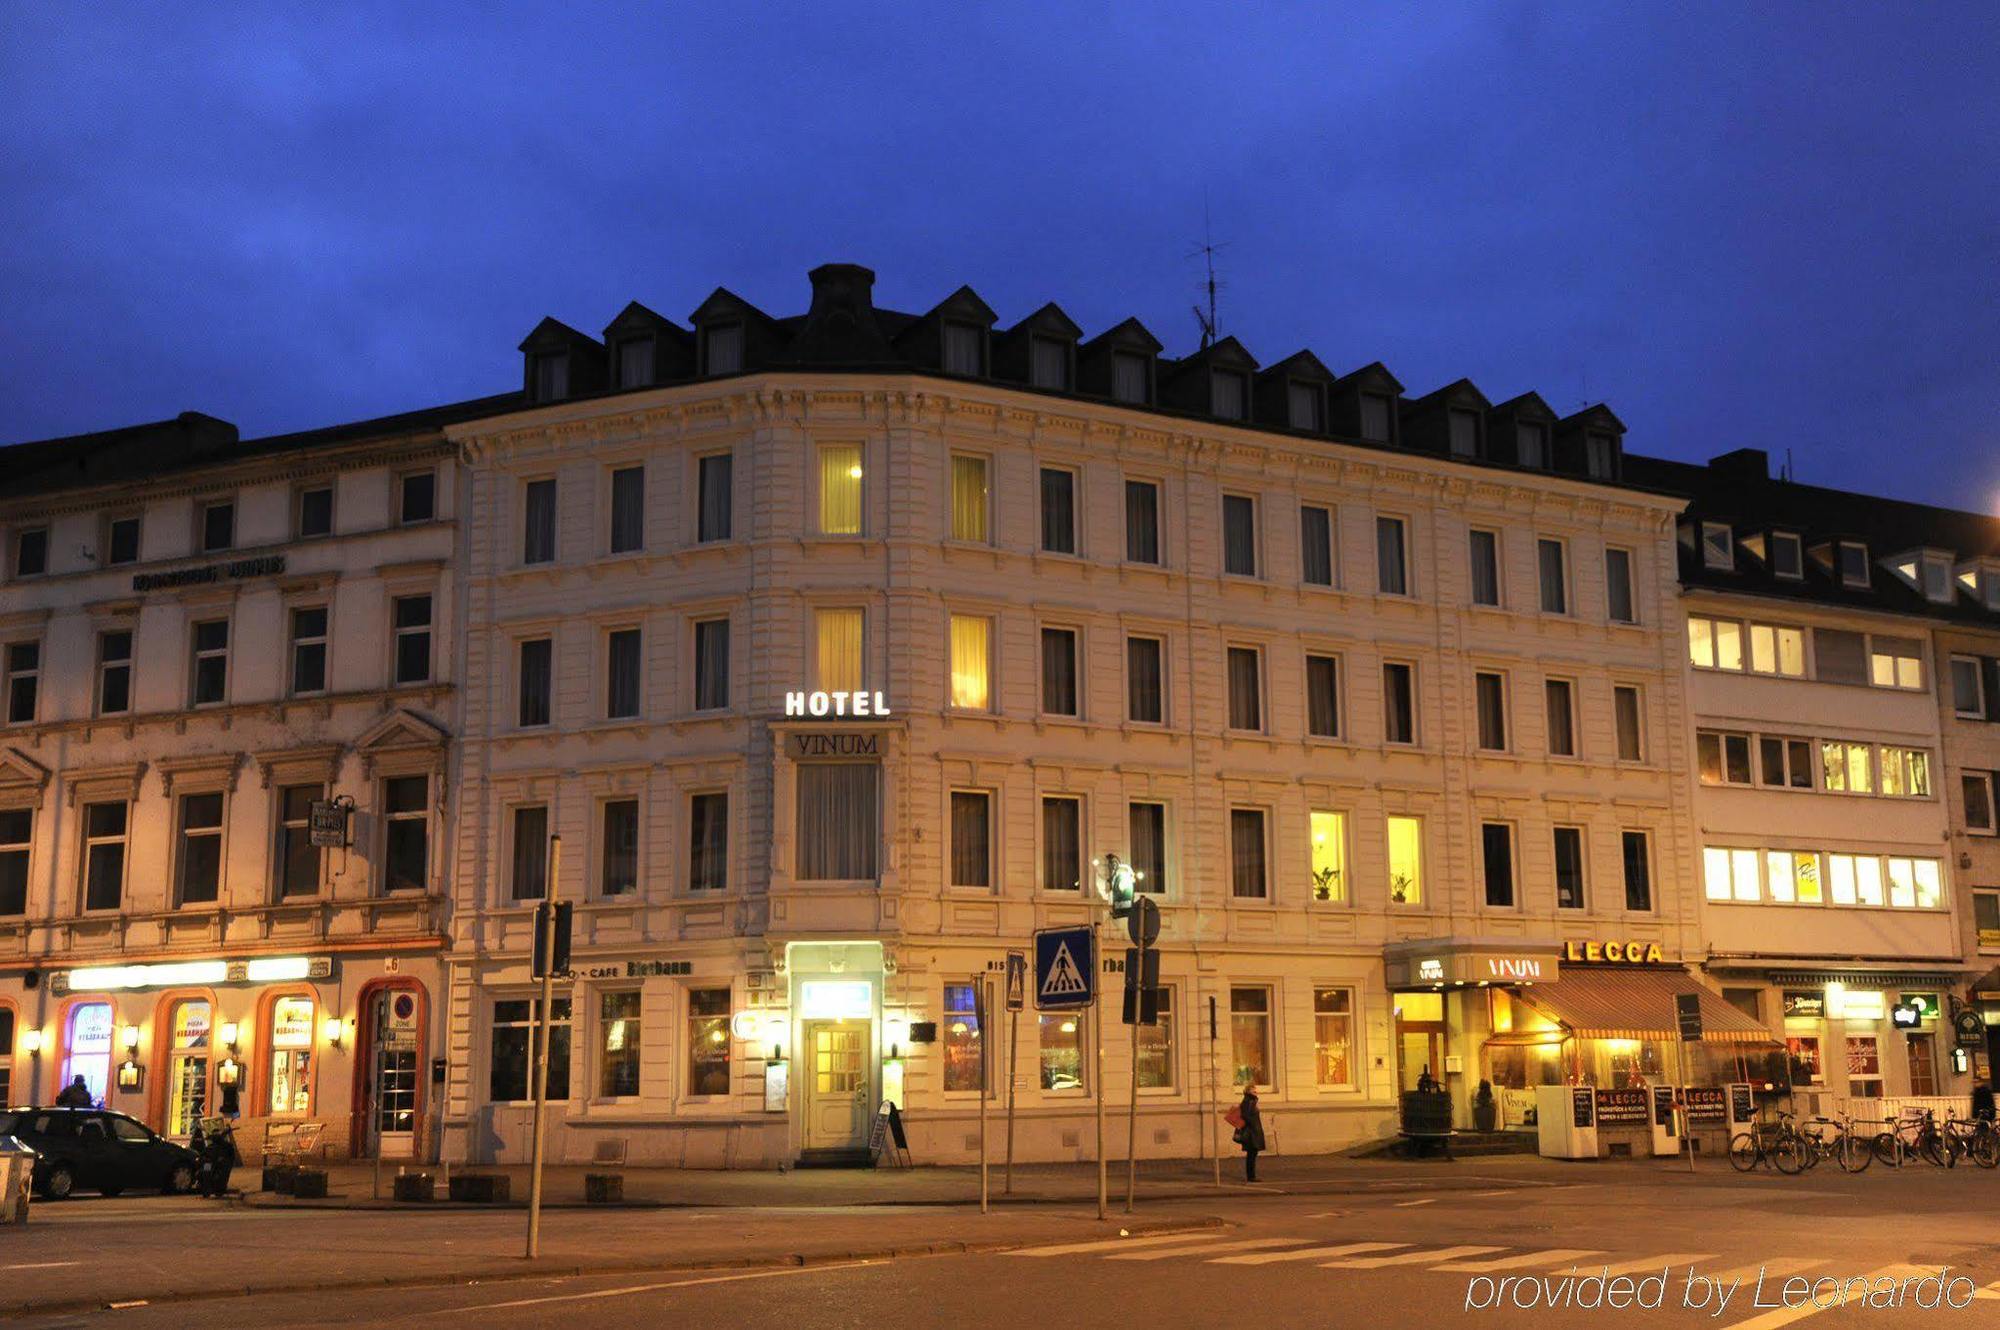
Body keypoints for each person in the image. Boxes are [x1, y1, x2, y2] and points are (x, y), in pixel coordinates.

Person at [1237, 1085, 1267, 1182]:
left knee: (1252, 1154)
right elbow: (1245, 1116)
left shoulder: (1250, 1101)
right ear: (1248, 1092)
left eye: (1256, 1091)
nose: (1256, 1093)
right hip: (1251, 1133)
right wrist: (1253, 1125)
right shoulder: (1249, 1101)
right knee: (1251, 1154)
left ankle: (1251, 1176)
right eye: (1253, 1091)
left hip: (1253, 1132)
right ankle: (1251, 1176)